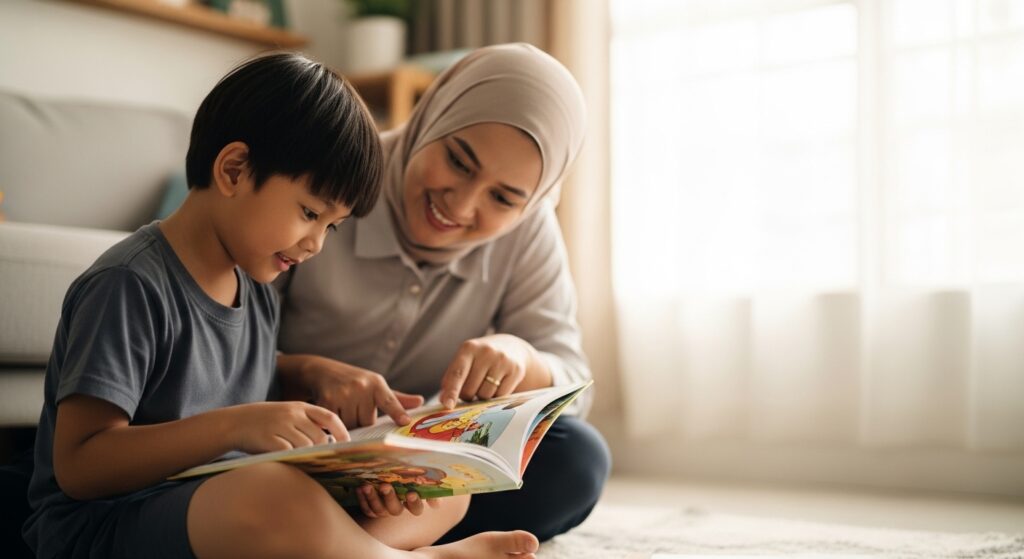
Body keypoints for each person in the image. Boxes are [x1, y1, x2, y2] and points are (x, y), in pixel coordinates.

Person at [22, 52, 540, 559]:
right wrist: (235, 427)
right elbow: (81, 465)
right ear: (234, 170)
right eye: (310, 213)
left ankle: (358, 550)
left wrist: (333, 413)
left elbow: (218, 374)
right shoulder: (129, 283)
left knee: (441, 485)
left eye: (331, 227)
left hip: (223, 509)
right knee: (272, 494)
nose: (316, 244)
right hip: (107, 525)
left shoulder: (253, 287)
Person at [275, 43, 612, 543]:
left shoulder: (528, 228)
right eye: (458, 160)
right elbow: (215, 345)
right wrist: (305, 372)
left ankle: (357, 537)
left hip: (418, 468)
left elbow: (572, 381)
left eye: (503, 198)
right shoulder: (336, 174)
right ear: (432, 116)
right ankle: (365, 539)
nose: (462, 204)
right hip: (287, 439)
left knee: (576, 459)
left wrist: (520, 358)